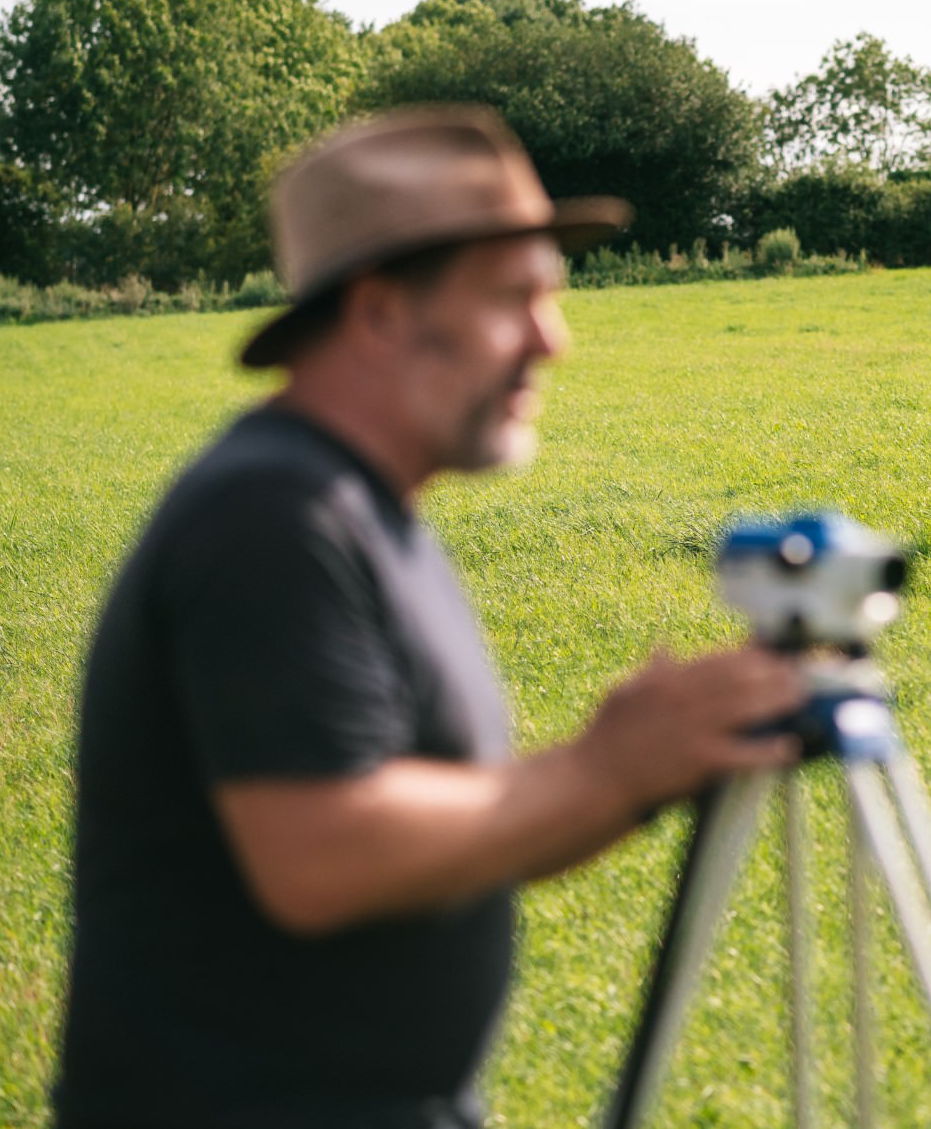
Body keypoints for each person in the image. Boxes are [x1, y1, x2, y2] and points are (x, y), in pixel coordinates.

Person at [53, 107, 808, 1129]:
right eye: (513, 298)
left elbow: (450, 831)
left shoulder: (355, 506)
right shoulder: (273, 516)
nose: (554, 339)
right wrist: (606, 767)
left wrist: (635, 771)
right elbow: (319, 854)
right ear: (377, 313)